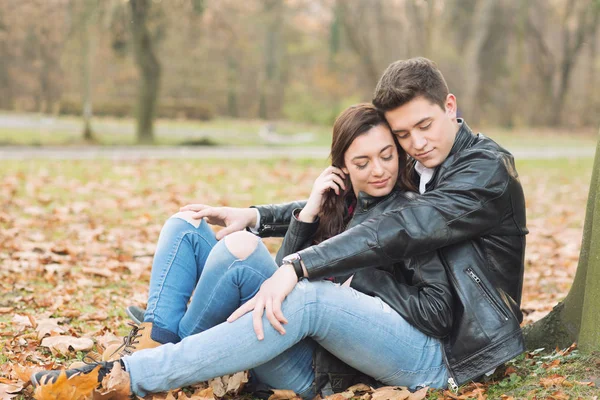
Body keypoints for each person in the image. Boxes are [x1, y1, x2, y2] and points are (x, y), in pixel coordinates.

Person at [33, 57, 527, 395]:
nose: (415, 143)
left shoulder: (482, 171)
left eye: (424, 126)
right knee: (199, 232)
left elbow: (408, 226)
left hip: (457, 350)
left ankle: (131, 374)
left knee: (301, 289)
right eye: (403, 135)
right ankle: (161, 345)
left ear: (451, 106)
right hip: (369, 335)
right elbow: (368, 209)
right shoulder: (419, 168)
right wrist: (261, 216)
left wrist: (302, 266)